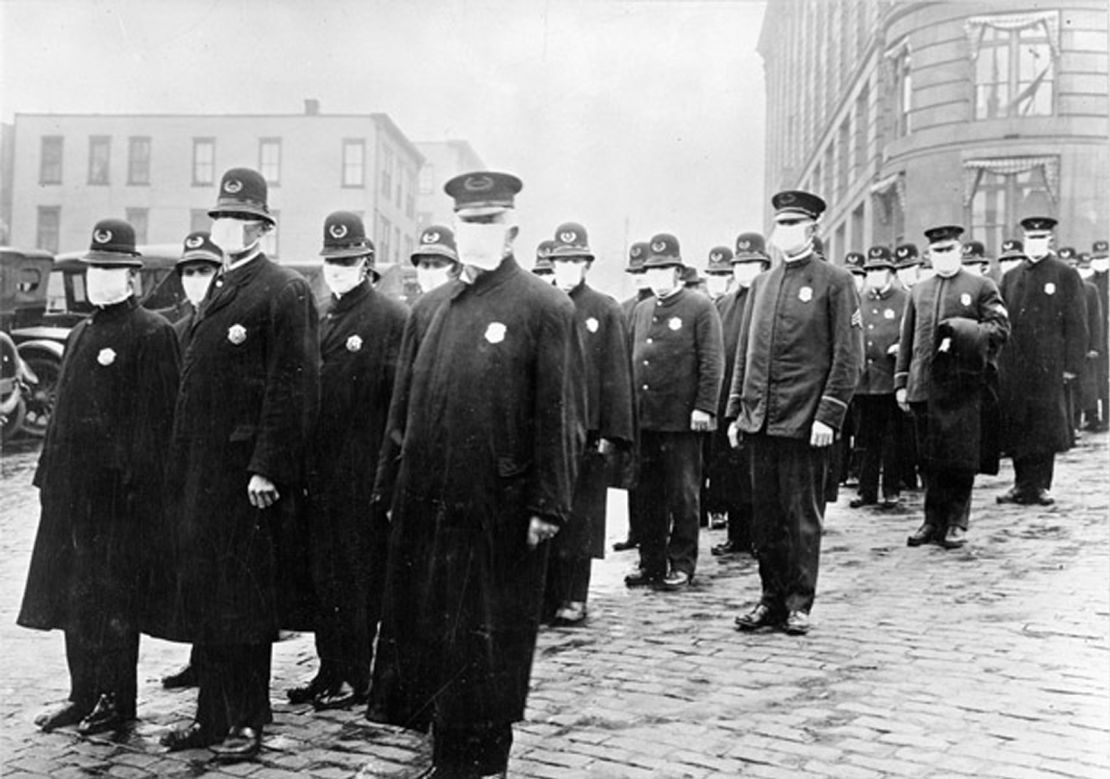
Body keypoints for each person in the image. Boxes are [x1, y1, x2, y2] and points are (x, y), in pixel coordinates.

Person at [366, 171, 584, 778]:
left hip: (499, 508)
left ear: (512, 229)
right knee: (434, 634)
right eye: (468, 223)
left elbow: (560, 414)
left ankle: (485, 763)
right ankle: (446, 758)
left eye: (488, 223)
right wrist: (389, 484)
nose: (476, 233)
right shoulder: (430, 309)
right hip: (429, 505)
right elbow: (401, 412)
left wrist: (549, 503)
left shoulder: (544, 307)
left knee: (488, 640)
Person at [155, 168, 320, 760]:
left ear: (261, 226)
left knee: (245, 603)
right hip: (202, 478)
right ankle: (211, 717)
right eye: (220, 218)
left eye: (239, 219)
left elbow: (292, 386)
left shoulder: (282, 290)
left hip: (246, 480)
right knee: (207, 599)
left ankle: (247, 722)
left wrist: (268, 466)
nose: (227, 227)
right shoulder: (219, 289)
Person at [18, 218, 180, 734]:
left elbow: (159, 424)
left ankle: (115, 699)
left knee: (114, 600)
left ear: (132, 276)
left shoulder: (151, 333)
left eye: (111, 269)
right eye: (95, 269)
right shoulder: (82, 332)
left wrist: (136, 490)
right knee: (74, 598)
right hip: (70, 497)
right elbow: (62, 415)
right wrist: (47, 477)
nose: (101, 279)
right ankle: (81, 692)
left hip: (119, 501)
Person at [285, 211, 408, 711]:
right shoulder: (318, 313)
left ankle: (355, 675)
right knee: (323, 577)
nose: (338, 270)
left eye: (348, 261)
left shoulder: (389, 318)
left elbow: (399, 407)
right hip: (318, 471)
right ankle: (328, 668)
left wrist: (388, 476)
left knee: (356, 577)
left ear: (367, 263)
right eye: (331, 262)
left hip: (360, 472)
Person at [727, 190, 861, 636]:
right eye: (778, 225)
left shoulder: (835, 282)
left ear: (812, 229)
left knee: (801, 516)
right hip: (760, 421)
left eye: (791, 225)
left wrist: (829, 414)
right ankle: (770, 600)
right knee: (765, 518)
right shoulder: (763, 284)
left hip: (804, 423)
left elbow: (848, 356)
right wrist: (736, 412)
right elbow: (746, 354)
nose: (781, 233)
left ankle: (799, 602)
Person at [895, 225, 1010, 549]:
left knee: (959, 457)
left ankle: (957, 521)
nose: (944, 256)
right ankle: (932, 521)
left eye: (949, 249)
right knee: (929, 458)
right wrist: (902, 381)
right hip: (924, 386)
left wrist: (965, 332)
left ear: (960, 251)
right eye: (937, 251)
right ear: (929, 256)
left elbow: (1000, 328)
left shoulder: (981, 286)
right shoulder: (919, 290)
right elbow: (909, 338)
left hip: (961, 387)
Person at [544, 222, 635, 625]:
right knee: (547, 515)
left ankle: (574, 595)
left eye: (574, 261)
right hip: (546, 433)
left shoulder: (603, 309)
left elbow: (616, 372)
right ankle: (545, 596)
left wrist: (612, 434)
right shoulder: (541, 305)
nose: (567, 269)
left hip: (586, 434)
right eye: (561, 261)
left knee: (582, 520)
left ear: (586, 265)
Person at [624, 233, 723, 591]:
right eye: (653, 269)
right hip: (647, 421)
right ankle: (650, 562)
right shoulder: (642, 310)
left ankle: (682, 564)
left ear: (678, 271)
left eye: (665, 268)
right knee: (647, 495)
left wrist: (704, 407)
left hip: (682, 421)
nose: (658, 276)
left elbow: (712, 361)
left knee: (683, 495)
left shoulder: (699, 307)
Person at [160, 230, 223, 692]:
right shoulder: (174, 331)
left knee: (214, 566)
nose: (196, 280)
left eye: (204, 271)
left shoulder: (223, 323)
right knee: (188, 565)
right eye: (189, 272)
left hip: (215, 463)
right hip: (179, 459)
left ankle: (212, 660)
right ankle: (199, 657)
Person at [996, 216, 1087, 507]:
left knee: (1044, 426)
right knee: (1019, 423)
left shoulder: (1064, 273)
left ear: (1049, 241)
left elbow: (1076, 323)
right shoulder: (1011, 276)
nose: (1034, 244)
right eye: (1030, 239)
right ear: (1024, 241)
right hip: (1016, 365)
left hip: (1049, 366)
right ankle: (1021, 484)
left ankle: (1041, 485)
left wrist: (1072, 365)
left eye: (1040, 238)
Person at [709, 232, 769, 557]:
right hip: (726, 398)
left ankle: (761, 537)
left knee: (756, 473)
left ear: (763, 264)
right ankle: (738, 536)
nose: (745, 270)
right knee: (728, 471)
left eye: (752, 263)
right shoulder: (724, 304)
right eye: (740, 264)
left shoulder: (769, 299)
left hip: (757, 399)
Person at [850, 246, 907, 510]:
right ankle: (866, 490)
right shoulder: (858, 299)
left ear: (891, 273)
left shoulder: (904, 299)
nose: (874, 274)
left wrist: (900, 346)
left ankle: (892, 489)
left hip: (889, 378)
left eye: (879, 269)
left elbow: (910, 333)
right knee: (865, 438)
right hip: (865, 381)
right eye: (870, 270)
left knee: (892, 439)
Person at [613, 241, 653, 553]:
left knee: (658, 479)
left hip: (658, 405)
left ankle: (655, 534)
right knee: (632, 472)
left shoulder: (661, 305)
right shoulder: (625, 309)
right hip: (632, 402)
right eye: (635, 272)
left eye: (644, 271)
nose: (640, 277)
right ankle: (636, 530)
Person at [700, 245, 735, 530]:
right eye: (713, 275)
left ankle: (719, 508)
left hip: (727, 394)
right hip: (702, 395)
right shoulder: (699, 304)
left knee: (723, 456)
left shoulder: (734, 305)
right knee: (700, 456)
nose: (718, 281)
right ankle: (702, 507)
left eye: (724, 275)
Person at [1061, 247, 1104, 433]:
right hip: (1064, 346)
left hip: (1084, 345)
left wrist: (1095, 345)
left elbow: (1096, 319)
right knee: (1069, 387)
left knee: (1087, 384)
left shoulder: (1088, 289)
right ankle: (1072, 421)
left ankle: (1091, 416)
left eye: (1073, 265)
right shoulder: (1057, 289)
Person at [1088, 240, 1110, 432]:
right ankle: (1095, 416)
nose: (1100, 261)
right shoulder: (1088, 282)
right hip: (1098, 336)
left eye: (1104, 258)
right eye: (1097, 258)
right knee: (1098, 378)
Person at [412, 224, 460, 294]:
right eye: (425, 265)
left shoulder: (467, 302)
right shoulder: (410, 303)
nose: (430, 270)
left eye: (437, 264)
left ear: (455, 269)